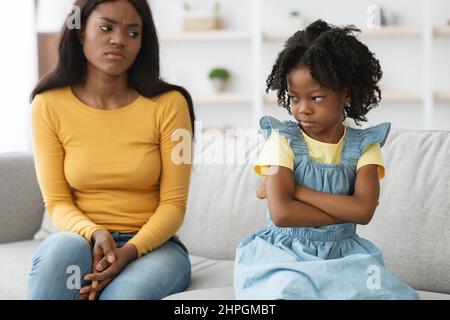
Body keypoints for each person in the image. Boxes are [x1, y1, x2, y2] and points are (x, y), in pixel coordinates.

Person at [234, 19, 419, 300]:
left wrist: (296, 191)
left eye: (317, 98)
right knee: (287, 294)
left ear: (345, 92)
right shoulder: (281, 139)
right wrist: (346, 210)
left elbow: (364, 212)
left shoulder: (365, 146)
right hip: (285, 254)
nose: (303, 109)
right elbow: (282, 214)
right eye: (294, 98)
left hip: (345, 254)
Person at [28, 0, 194, 300]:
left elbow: (174, 204)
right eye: (106, 28)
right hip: (79, 238)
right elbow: (56, 202)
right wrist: (95, 234)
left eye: (133, 33)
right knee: (60, 255)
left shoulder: (171, 104)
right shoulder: (47, 104)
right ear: (80, 33)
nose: (119, 39)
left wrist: (127, 252)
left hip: (152, 248)